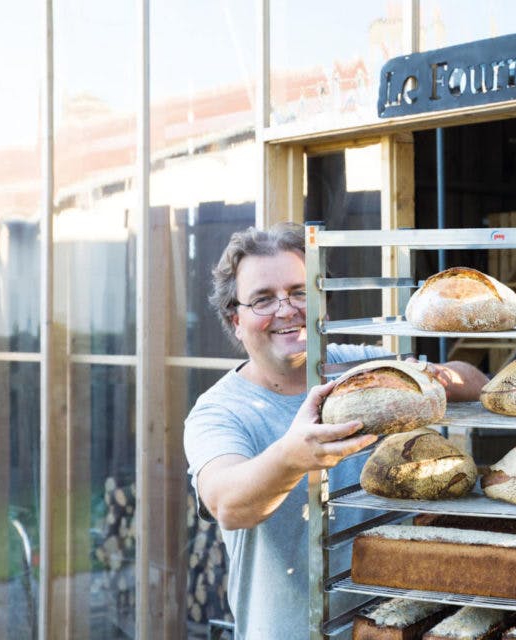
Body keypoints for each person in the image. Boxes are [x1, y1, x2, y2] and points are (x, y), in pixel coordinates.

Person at [183, 222, 487, 639]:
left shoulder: (358, 366)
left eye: (298, 292)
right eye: (263, 300)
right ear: (235, 320)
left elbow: (475, 382)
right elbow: (229, 504)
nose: (286, 310)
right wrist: (292, 457)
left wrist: (438, 376)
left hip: (400, 625)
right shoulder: (221, 410)